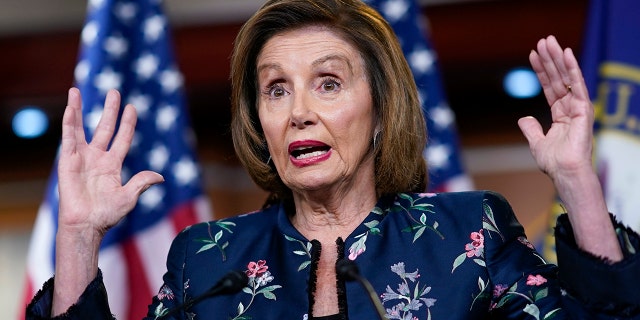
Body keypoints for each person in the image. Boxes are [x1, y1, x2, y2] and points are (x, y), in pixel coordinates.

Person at [26, 0, 639, 319]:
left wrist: (576, 183)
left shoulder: (467, 234)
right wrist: (78, 237)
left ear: (379, 109)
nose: (298, 112)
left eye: (328, 83)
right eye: (276, 89)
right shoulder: (207, 260)